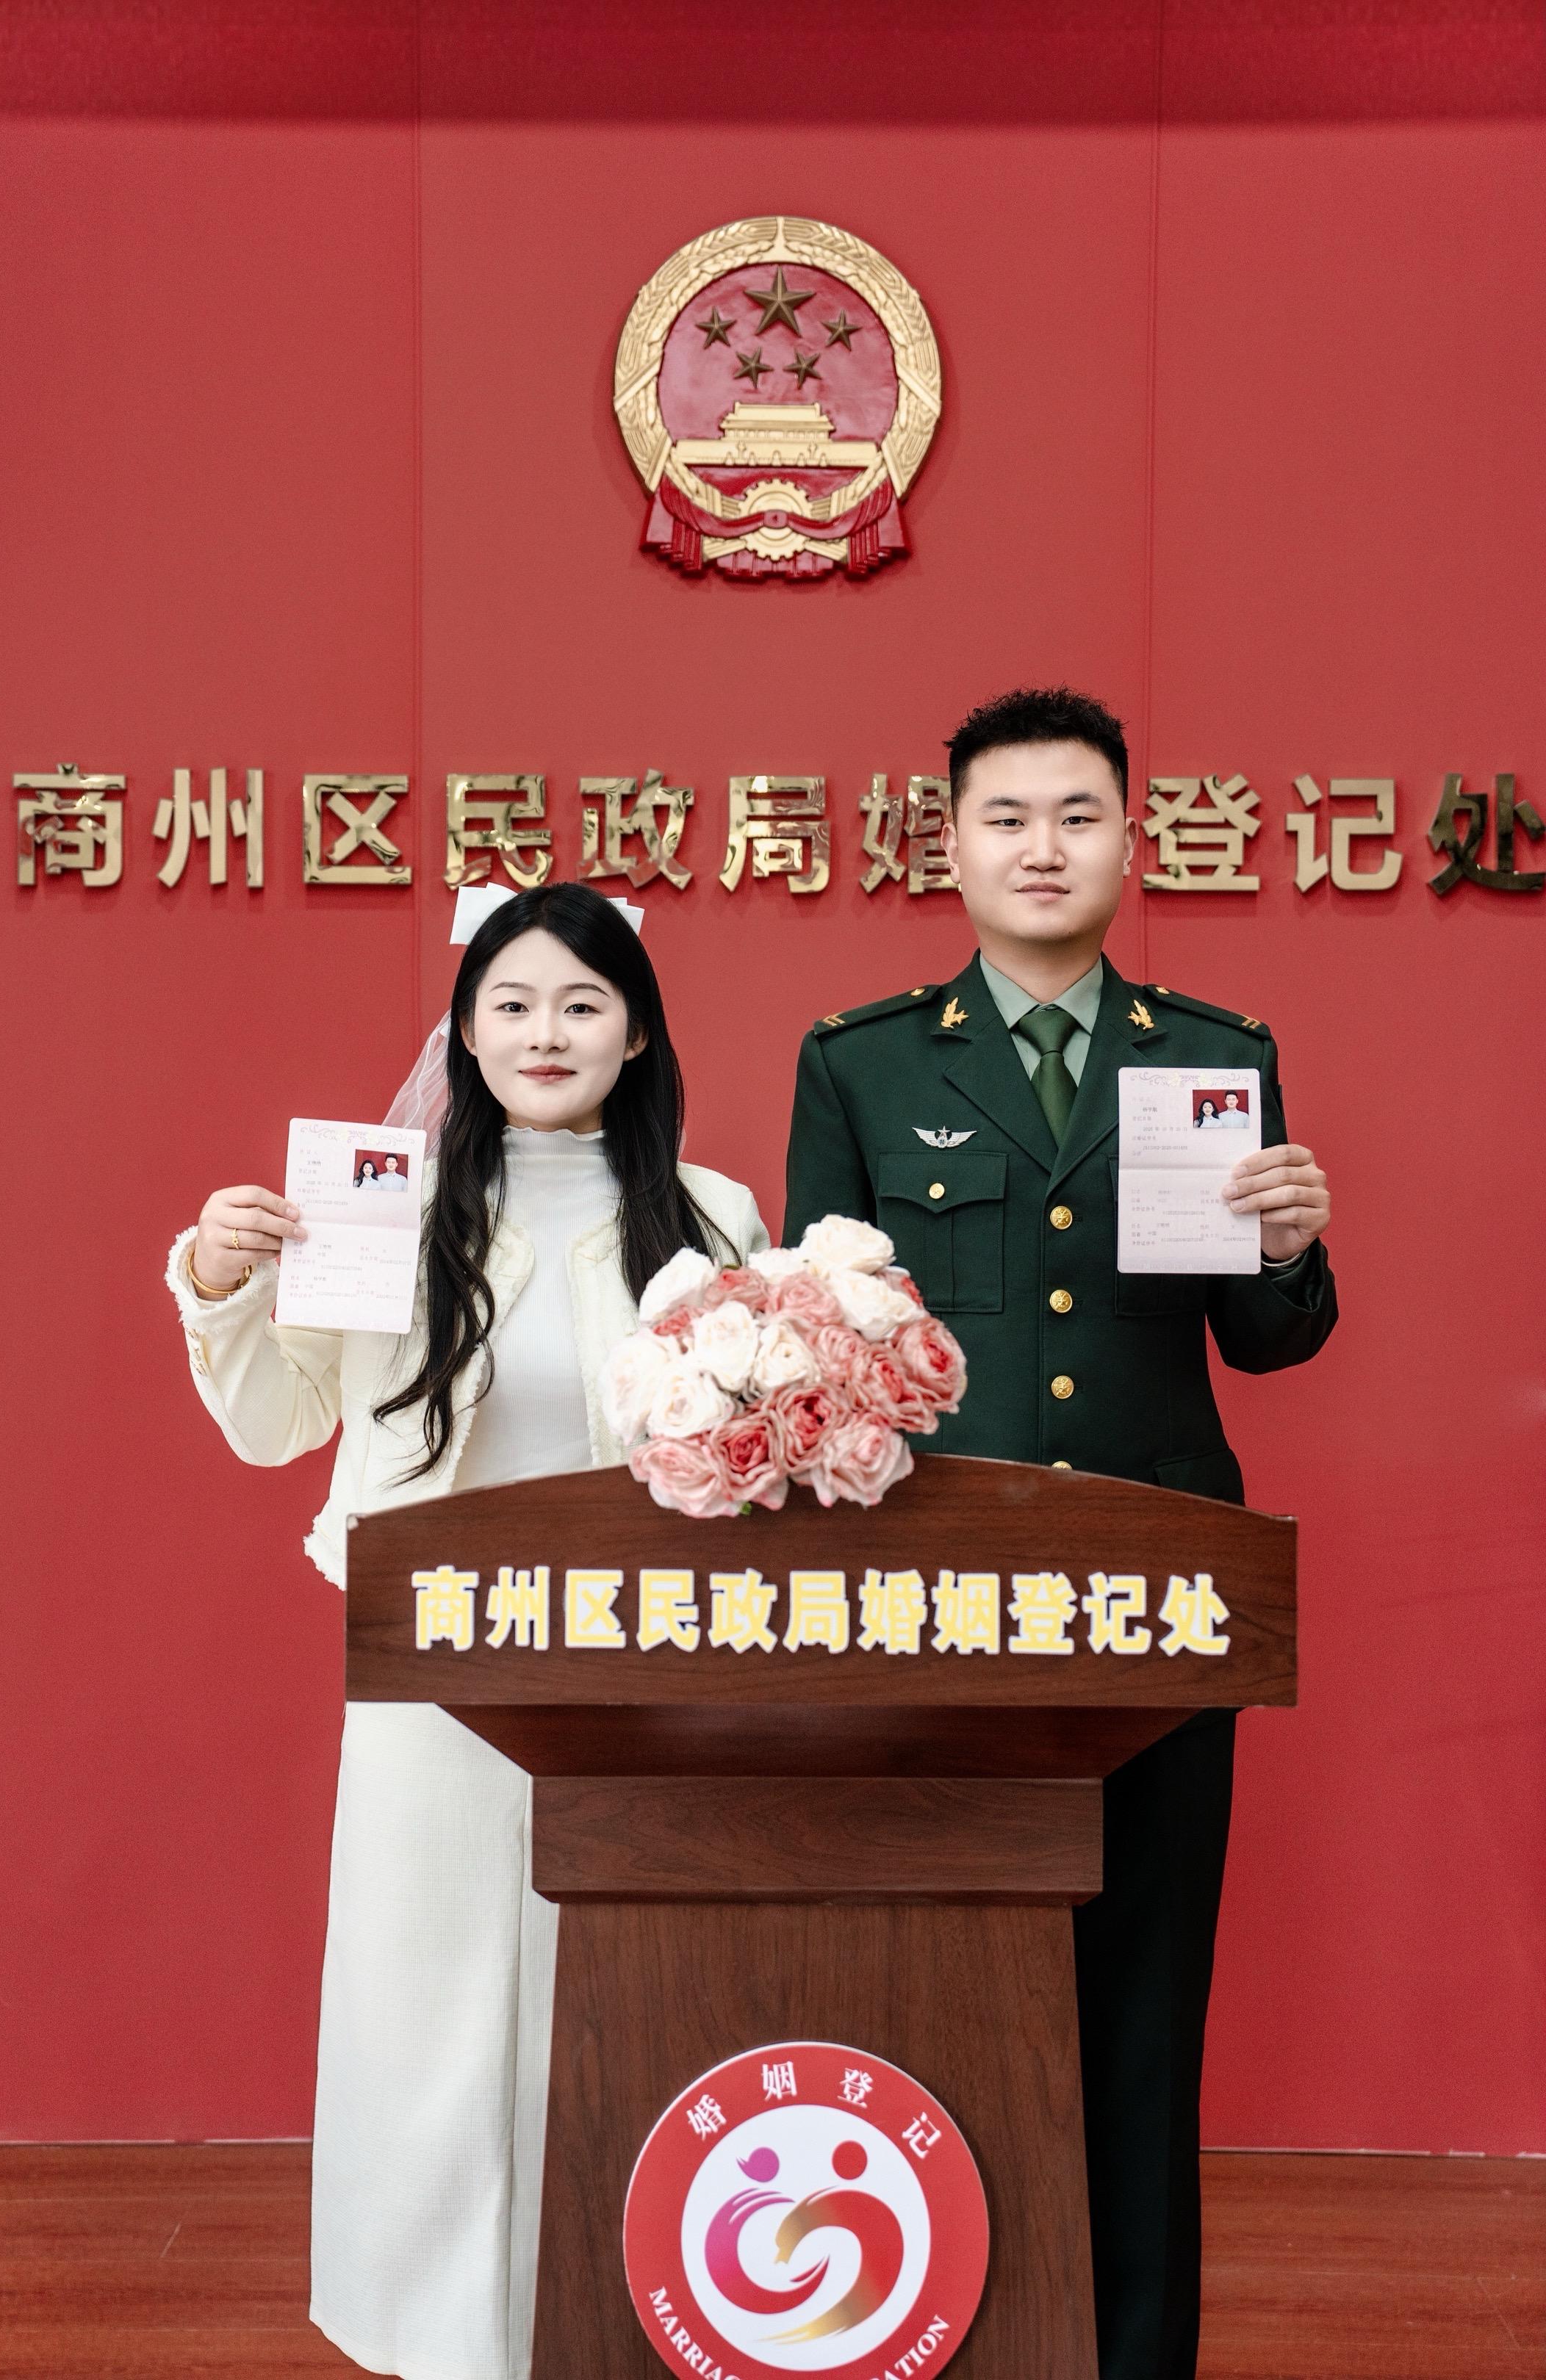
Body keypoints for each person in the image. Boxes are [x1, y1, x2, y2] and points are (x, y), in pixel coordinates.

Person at [783, 685, 1336, 2380]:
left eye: (1078, 815)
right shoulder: (861, 1063)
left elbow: (1269, 1343)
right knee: (937, 1989)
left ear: (1129, 842)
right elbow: (818, 1349)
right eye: (1008, 817)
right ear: (950, 846)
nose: (1044, 846)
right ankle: (935, 2339)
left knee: (1146, 2011)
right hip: (938, 1601)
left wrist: (1289, 1248)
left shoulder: (1212, 1057)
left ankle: (1137, 2358)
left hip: (1164, 1601)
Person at [167, 881, 767, 2380]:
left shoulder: (715, 1217)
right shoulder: (385, 1203)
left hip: (639, 1675)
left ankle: (621, 2315)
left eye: (581, 1003)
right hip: (428, 1672)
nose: (544, 1032)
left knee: (619, 1994)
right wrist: (224, 1280)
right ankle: (426, 2335)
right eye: (511, 1004)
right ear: (466, 1033)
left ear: (637, 1034)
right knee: (423, 1999)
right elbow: (279, 1420)